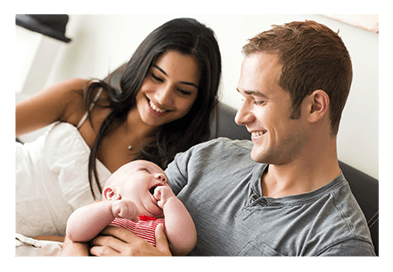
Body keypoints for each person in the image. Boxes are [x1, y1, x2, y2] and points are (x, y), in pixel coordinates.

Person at [67, 20, 375, 256]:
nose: (240, 117)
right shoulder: (210, 156)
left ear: (314, 106)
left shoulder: (337, 241)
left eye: (259, 100)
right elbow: (83, 232)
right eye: (243, 98)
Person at [15, 18, 221, 240]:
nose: (162, 98)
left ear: (198, 100)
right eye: (157, 77)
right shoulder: (82, 98)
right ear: (141, 66)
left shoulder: (169, 173)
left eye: (183, 91)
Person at [66, 160, 197, 256]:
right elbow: (73, 232)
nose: (161, 177)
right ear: (112, 194)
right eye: (145, 170)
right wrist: (109, 209)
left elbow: (185, 244)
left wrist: (171, 201)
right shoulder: (105, 217)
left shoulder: (163, 226)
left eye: (166, 182)